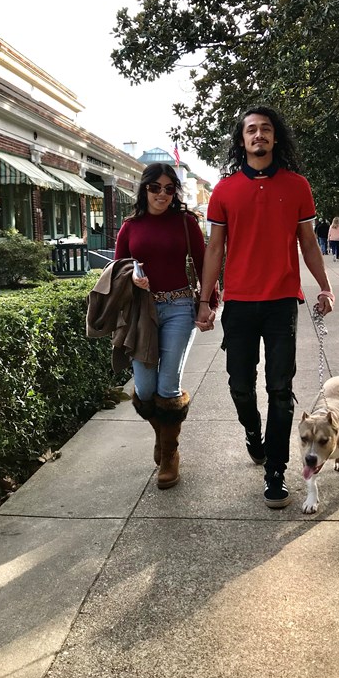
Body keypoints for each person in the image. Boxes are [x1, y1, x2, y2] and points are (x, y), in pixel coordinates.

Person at [196, 106, 334, 509]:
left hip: (280, 304)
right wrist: (205, 301)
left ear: (275, 138)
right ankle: (252, 433)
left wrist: (324, 287)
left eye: (266, 130)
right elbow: (215, 248)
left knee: (280, 389)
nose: (258, 135)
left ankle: (276, 470)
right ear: (242, 140)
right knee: (240, 384)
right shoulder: (224, 190)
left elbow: (308, 242)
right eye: (251, 130)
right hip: (238, 302)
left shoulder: (297, 186)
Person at [114, 162, 214, 490]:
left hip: (179, 307)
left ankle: (170, 453)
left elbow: (203, 265)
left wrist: (208, 304)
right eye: (155, 187)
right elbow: (117, 270)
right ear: (144, 189)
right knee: (144, 389)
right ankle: (162, 434)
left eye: (169, 188)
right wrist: (133, 277)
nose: (162, 194)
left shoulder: (186, 223)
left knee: (168, 384)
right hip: (142, 311)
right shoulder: (130, 227)